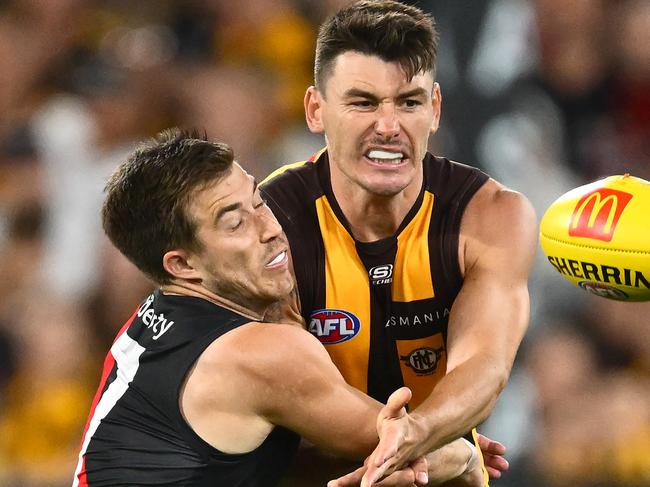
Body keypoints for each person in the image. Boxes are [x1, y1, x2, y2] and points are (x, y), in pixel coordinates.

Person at [71, 128, 502, 486]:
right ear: (182, 264)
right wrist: (461, 455)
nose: (271, 229)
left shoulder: (154, 319)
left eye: (258, 201)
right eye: (236, 222)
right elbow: (399, 449)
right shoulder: (259, 353)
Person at [260, 1, 537, 484]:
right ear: (315, 110)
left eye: (408, 102)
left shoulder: (491, 216)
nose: (388, 126)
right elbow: (280, 403)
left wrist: (418, 438)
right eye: (363, 103)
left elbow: (485, 369)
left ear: (434, 109)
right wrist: (449, 451)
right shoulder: (271, 225)